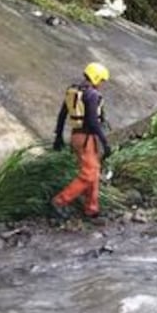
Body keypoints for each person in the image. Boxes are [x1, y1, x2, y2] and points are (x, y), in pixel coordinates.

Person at [52, 62, 112, 219]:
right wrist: (104, 142)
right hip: (86, 138)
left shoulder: (73, 91)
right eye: (102, 81)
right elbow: (93, 122)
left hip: (76, 136)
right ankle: (60, 200)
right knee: (89, 174)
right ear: (96, 78)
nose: (102, 84)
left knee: (94, 170)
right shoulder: (92, 95)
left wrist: (58, 136)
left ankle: (92, 208)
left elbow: (62, 115)